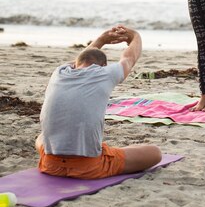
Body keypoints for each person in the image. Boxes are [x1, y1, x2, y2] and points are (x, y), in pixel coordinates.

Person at [36, 25, 162, 179]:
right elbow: (129, 58)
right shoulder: (105, 74)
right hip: (88, 167)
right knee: (155, 153)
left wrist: (102, 39)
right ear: (103, 66)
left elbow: (79, 59)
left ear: (75, 63)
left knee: (41, 137)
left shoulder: (59, 72)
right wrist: (134, 36)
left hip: (50, 164)